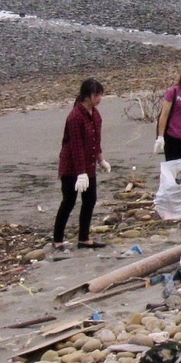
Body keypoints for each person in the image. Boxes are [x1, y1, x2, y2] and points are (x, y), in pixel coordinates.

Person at [54, 78, 110, 251]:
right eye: (97, 95)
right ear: (88, 96)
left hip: (88, 165)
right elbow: (75, 146)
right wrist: (80, 173)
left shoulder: (95, 114)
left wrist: (100, 160)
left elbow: (96, 140)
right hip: (72, 166)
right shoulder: (75, 117)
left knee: (90, 200)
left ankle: (84, 238)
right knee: (69, 201)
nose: (100, 98)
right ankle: (57, 239)